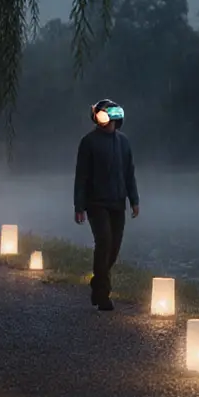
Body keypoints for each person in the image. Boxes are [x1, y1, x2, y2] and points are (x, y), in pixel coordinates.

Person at [73, 98, 140, 311]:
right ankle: (103, 295)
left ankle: (97, 281)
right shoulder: (88, 142)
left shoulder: (124, 142)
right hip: (96, 203)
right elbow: (81, 176)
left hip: (118, 202)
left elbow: (129, 173)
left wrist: (134, 200)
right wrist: (79, 206)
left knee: (114, 247)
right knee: (104, 242)